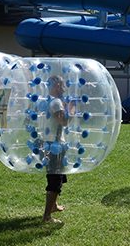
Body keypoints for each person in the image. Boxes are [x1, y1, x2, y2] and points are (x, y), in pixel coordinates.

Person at [43, 75, 74, 223]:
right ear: (55, 87)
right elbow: (64, 121)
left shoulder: (50, 100)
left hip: (50, 143)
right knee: (55, 179)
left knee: (57, 176)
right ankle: (47, 216)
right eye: (61, 85)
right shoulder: (56, 102)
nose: (63, 88)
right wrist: (72, 110)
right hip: (54, 145)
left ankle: (53, 206)